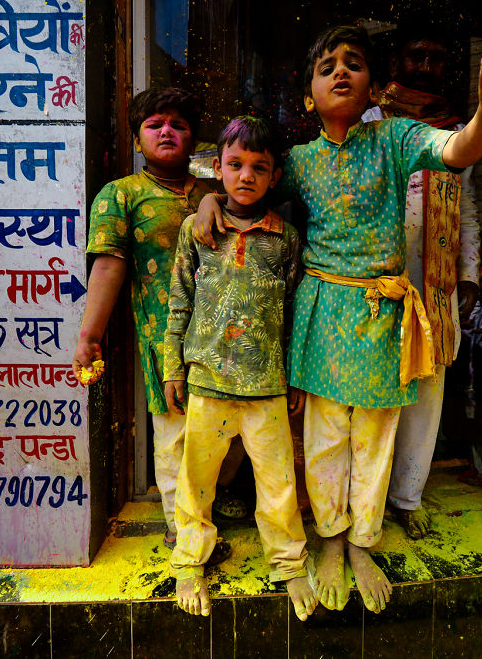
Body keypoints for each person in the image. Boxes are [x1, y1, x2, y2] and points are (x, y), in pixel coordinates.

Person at [194, 0, 482, 613]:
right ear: (308, 91)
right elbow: (231, 176)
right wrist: (206, 202)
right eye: (326, 65)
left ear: (373, 84)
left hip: (383, 312)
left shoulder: (395, 137)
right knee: (327, 436)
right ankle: (330, 540)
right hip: (321, 307)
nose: (339, 73)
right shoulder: (297, 161)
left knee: (377, 436)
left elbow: (459, 152)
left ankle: (364, 541)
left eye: (352, 64)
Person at [72, 87, 241, 556]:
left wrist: (212, 200)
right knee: (175, 437)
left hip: (224, 339)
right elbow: (108, 266)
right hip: (163, 339)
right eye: (154, 124)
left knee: (226, 435)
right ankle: (180, 527)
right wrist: (89, 336)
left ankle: (210, 500)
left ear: (194, 141)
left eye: (179, 125)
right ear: (136, 139)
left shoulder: (214, 195)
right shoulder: (121, 195)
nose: (167, 130)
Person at [163, 116, 317, 621]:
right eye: (235, 165)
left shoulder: (287, 239)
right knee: (197, 480)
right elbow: (179, 301)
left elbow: (295, 312)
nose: (246, 175)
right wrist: (173, 369)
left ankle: (290, 565)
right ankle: (189, 561)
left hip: (267, 387)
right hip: (207, 381)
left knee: (278, 485)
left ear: (274, 177)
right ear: (218, 169)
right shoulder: (197, 229)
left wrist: (294, 375)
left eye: (259, 167)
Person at [363, 26, 480, 540]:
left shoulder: (458, 132)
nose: (427, 64)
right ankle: (365, 500)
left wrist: (468, 275)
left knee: (427, 389)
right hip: (373, 277)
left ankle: (407, 498)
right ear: (397, 61)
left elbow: (468, 210)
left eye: (437, 55)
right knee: (373, 386)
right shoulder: (369, 120)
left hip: (433, 280)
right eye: (418, 52)